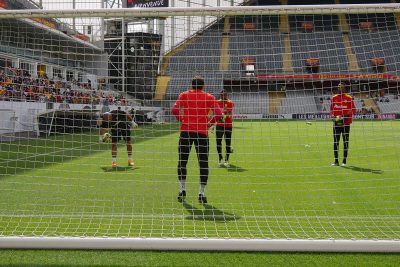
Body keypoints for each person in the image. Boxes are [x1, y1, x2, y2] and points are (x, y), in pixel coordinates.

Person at [171, 76, 222, 204]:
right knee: (203, 163)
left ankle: (182, 189)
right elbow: (219, 114)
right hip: (201, 134)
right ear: (203, 86)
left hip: (186, 132)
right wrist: (210, 123)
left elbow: (174, 110)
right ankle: (201, 193)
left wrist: (181, 119)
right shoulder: (209, 97)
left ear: (192, 85)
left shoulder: (184, 95)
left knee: (182, 161)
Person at [330, 82, 356, 166]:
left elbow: (353, 110)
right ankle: (336, 161)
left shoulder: (349, 98)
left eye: (342, 87)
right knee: (335, 142)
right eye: (339, 87)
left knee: (345, 142)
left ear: (345, 88)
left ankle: (344, 161)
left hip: (346, 123)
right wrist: (334, 116)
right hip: (337, 123)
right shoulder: (334, 98)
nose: (340, 88)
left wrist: (345, 116)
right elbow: (331, 110)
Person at [210, 90, 235, 167]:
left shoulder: (230, 102)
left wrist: (222, 115)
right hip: (219, 125)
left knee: (228, 143)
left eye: (225, 95)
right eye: (222, 95)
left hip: (228, 125)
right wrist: (213, 125)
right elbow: (215, 113)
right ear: (220, 96)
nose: (223, 97)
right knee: (218, 142)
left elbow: (229, 114)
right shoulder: (216, 102)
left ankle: (226, 160)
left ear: (227, 95)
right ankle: (220, 158)